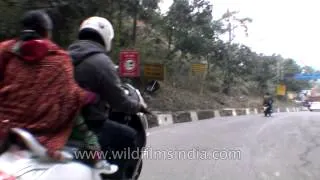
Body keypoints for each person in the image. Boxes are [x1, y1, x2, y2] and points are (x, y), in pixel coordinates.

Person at [0, 10, 116, 174]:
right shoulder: (59, 59)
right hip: (43, 130)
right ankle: (99, 161)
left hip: (6, 124)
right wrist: (91, 97)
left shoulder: (7, 49)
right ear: (47, 32)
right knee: (81, 124)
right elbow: (71, 95)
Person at [68, 16, 150, 172]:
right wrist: (139, 106)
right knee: (128, 136)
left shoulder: (63, 56)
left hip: (61, 122)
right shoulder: (102, 62)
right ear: (106, 38)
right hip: (89, 124)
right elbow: (120, 102)